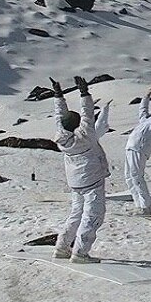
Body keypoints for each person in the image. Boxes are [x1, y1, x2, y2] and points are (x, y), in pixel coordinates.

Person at [51, 77, 110, 263]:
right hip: (92, 179)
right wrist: (84, 93)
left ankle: (62, 247)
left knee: (76, 214)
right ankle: (80, 252)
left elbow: (59, 116)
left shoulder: (62, 136)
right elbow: (88, 113)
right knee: (93, 215)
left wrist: (58, 95)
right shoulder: (85, 135)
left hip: (75, 182)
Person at [124, 84, 151, 215]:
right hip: (131, 148)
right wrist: (147, 95)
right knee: (129, 177)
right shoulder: (146, 121)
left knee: (137, 176)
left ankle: (145, 206)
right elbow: (142, 109)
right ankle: (139, 204)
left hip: (139, 149)